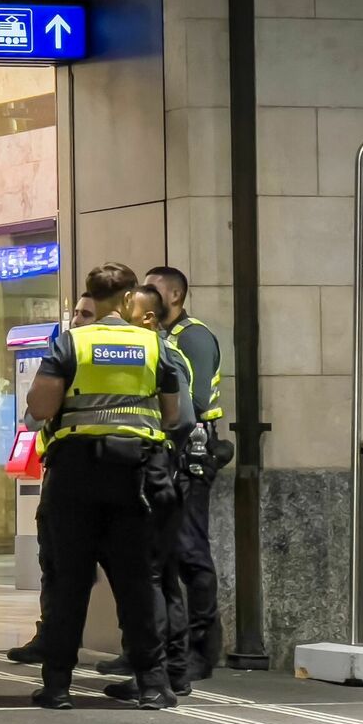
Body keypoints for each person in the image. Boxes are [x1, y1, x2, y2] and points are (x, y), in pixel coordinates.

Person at [24, 263, 181, 711]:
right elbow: (171, 415)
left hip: (75, 475)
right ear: (130, 297)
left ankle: (57, 687)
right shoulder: (154, 344)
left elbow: (40, 405)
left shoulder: (71, 342)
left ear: (91, 295)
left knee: (69, 581)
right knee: (136, 583)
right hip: (135, 479)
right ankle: (152, 684)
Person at [99, 284, 197, 701]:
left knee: (153, 580)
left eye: (127, 309)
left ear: (148, 318)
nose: (118, 317)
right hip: (152, 476)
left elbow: (182, 418)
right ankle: (167, 671)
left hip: (157, 477)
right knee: (159, 579)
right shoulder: (149, 349)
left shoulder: (159, 352)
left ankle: (162, 673)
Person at [145, 266, 229, 681]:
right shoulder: (158, 337)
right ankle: (156, 646)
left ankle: (202, 649)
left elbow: (191, 401)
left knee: (191, 552)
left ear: (175, 294)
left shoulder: (191, 336)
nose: (145, 293)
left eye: (154, 287)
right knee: (161, 555)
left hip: (191, 452)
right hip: (166, 452)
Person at [7, 292, 96, 665]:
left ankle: (61, 663)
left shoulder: (72, 357)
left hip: (94, 478)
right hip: (66, 477)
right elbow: (31, 419)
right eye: (75, 312)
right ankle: (52, 640)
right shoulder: (64, 355)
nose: (76, 319)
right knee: (56, 567)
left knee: (89, 573)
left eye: (85, 313)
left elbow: (36, 413)